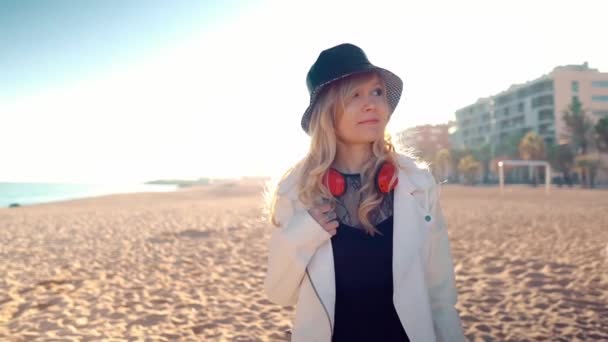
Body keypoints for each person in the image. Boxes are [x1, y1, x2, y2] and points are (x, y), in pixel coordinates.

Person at [263, 43, 465, 342]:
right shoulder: (296, 190)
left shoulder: (419, 183)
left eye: (377, 92)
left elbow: (441, 294)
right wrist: (305, 233)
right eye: (354, 95)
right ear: (327, 111)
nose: (371, 104)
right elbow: (279, 293)